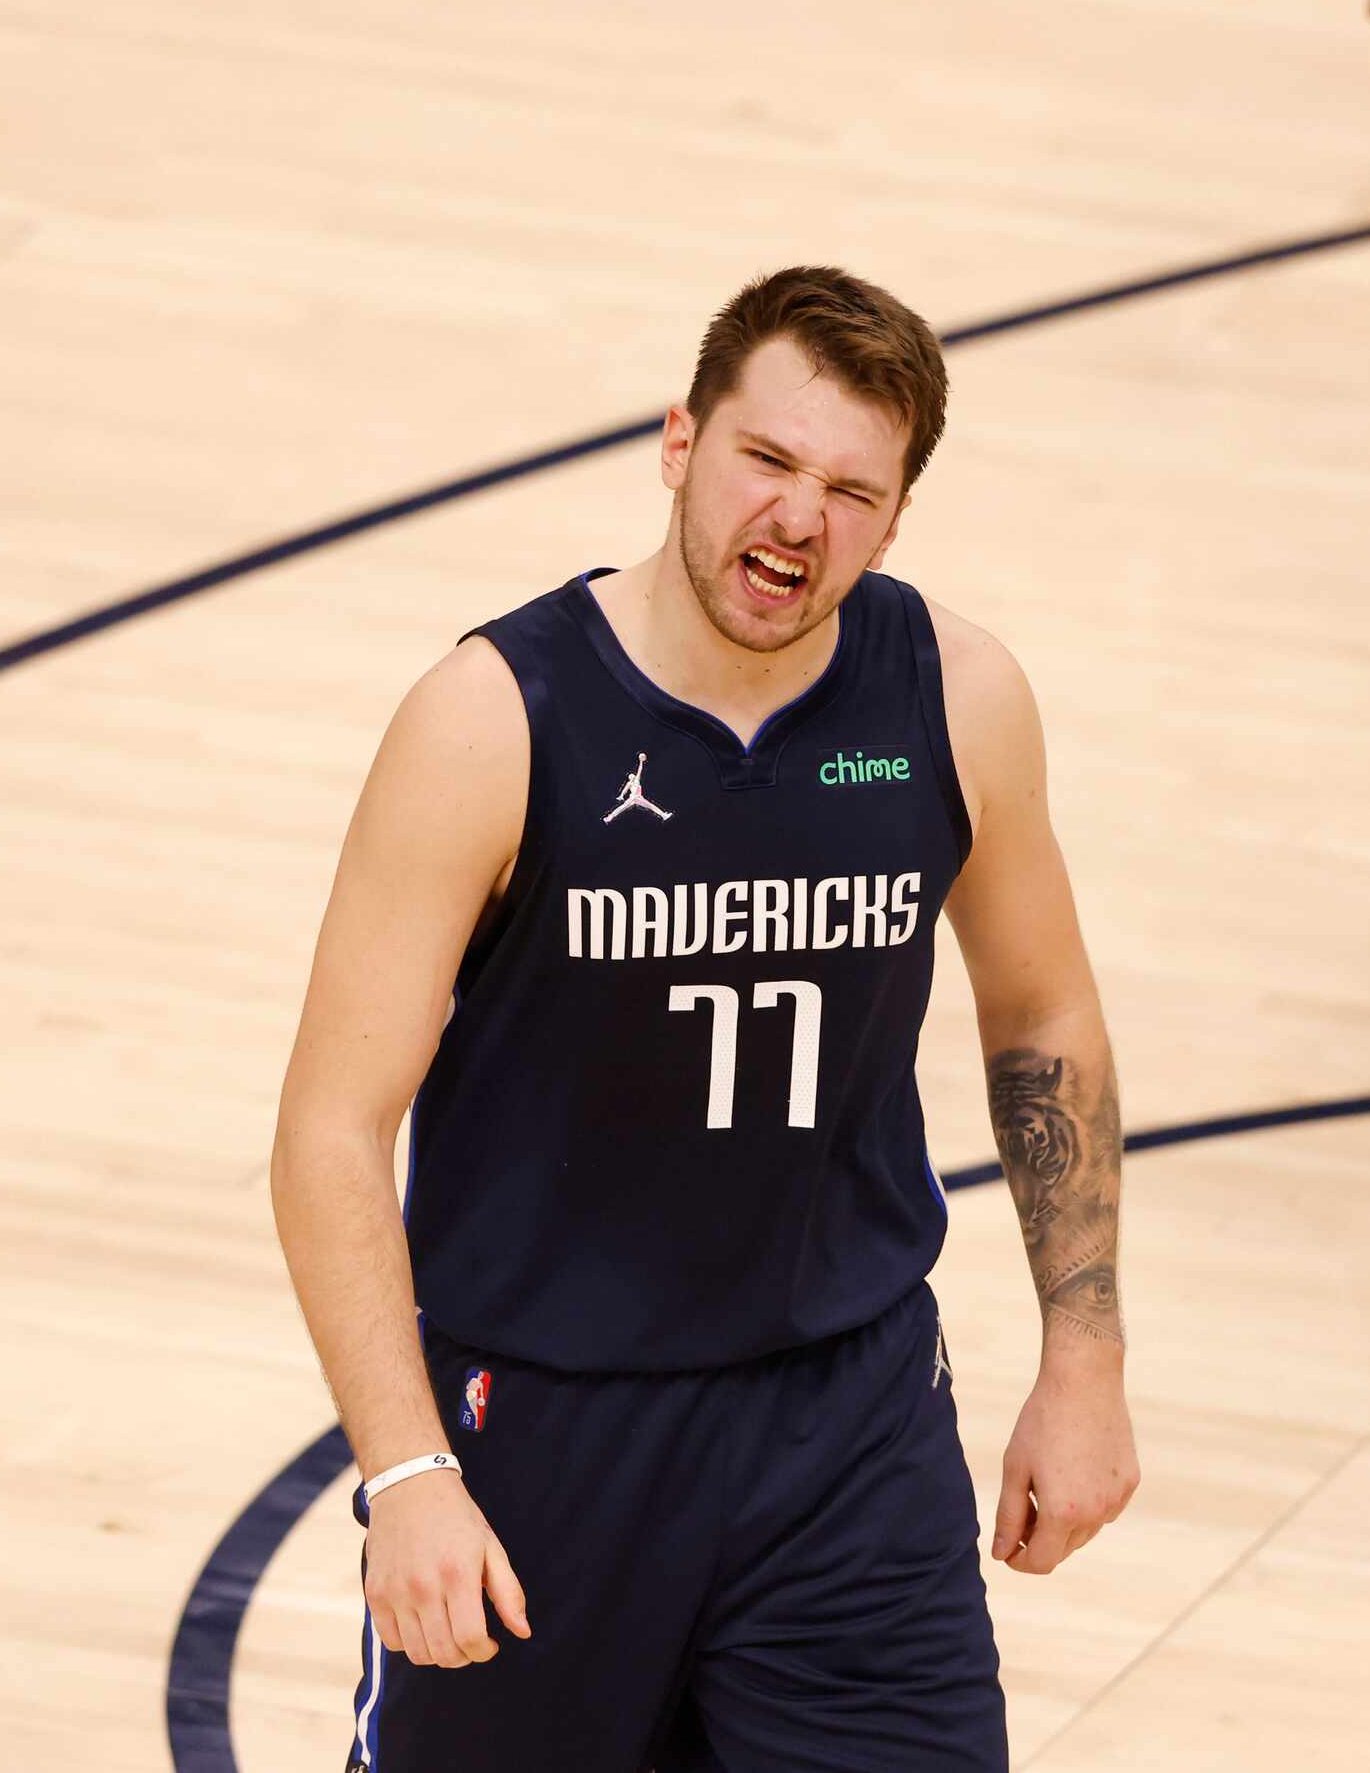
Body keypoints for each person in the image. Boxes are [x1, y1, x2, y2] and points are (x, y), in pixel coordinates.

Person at [269, 267, 1140, 1771]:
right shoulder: (491, 720)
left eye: (851, 490)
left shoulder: (952, 694)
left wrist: (1084, 1357)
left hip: (845, 1417)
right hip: (547, 1428)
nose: (800, 519)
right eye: (767, 460)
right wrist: (404, 1467)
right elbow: (327, 1132)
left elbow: (1040, 1006)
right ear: (679, 441)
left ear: (892, 519)